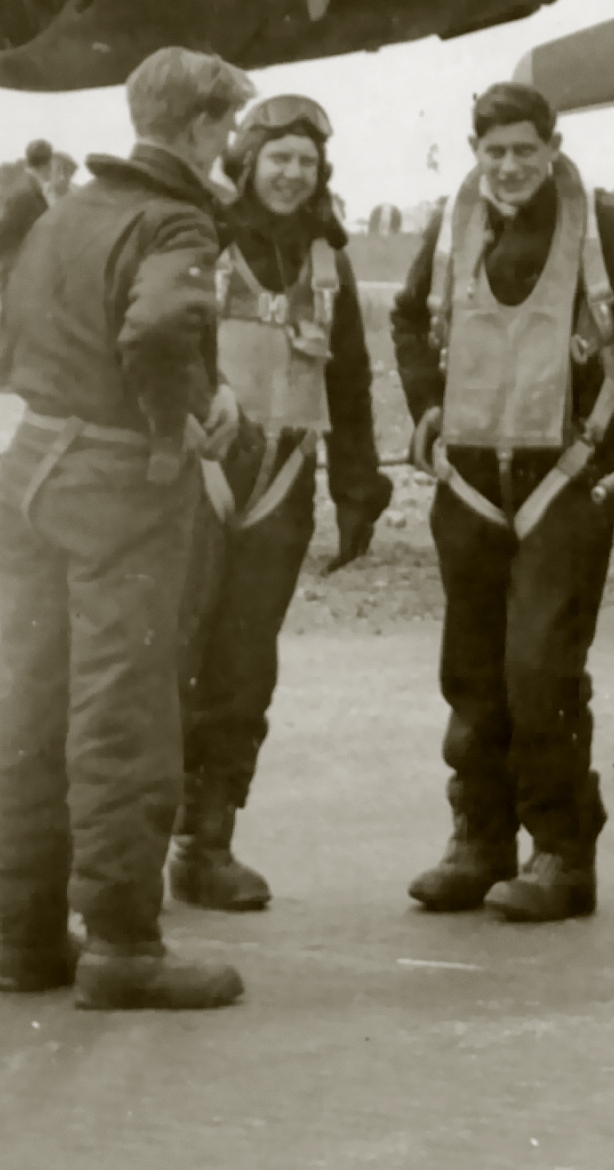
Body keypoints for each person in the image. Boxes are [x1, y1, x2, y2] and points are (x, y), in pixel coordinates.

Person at [391, 81, 614, 924]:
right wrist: (425, 404)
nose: (510, 167)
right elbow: (410, 319)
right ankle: (480, 842)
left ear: (553, 146)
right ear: (476, 153)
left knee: (541, 666)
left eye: (525, 149)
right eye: (494, 152)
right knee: (473, 672)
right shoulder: (454, 224)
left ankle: (562, 851)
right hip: (471, 484)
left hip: (571, 478)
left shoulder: (612, 226)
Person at [0, 49, 252, 1010]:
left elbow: (9, 322)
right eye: (225, 131)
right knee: (124, 711)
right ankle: (125, 945)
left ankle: (22, 934)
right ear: (199, 128)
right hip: (114, 483)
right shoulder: (175, 217)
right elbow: (156, 333)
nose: (229, 149)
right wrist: (176, 414)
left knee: (32, 705)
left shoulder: (65, 211)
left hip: (30, 470)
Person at [166, 94, 390, 913]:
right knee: (168, 654)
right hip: (197, 479)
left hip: (282, 486)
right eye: (278, 156)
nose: (293, 173)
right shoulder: (201, 236)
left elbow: (351, 380)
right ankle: (132, 838)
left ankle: (205, 843)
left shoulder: (328, 259)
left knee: (244, 666)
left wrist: (357, 487)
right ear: (248, 158)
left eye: (306, 160)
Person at [0, 139, 76, 307]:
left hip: (22, 276)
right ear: (46, 165)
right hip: (19, 277)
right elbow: (2, 237)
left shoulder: (31, 189)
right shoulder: (27, 193)